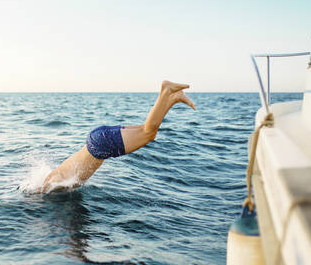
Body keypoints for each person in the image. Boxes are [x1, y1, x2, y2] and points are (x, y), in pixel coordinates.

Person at [40, 81, 196, 193]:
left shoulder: (53, 184)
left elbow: (46, 188)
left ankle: (167, 90)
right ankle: (173, 97)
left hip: (101, 146)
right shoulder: (56, 175)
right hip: (98, 140)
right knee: (148, 132)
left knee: (148, 133)